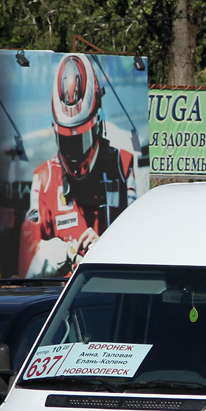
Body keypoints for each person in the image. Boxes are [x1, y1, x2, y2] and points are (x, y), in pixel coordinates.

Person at [19, 54, 137, 278]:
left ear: (97, 125)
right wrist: (68, 251)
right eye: (67, 141)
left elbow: (139, 244)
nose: (74, 153)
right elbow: (27, 261)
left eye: (80, 140)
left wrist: (103, 247)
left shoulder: (123, 167)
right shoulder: (43, 179)